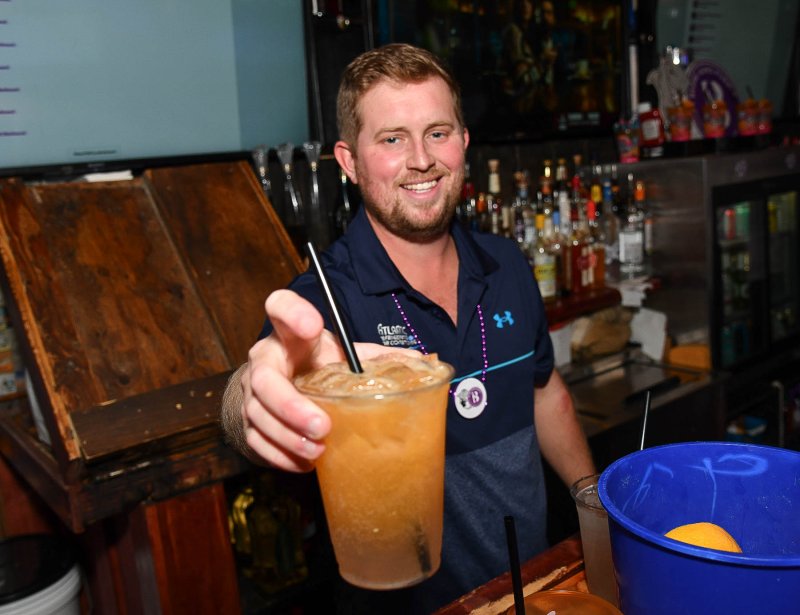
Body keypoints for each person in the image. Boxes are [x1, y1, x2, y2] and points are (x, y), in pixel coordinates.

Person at [221, 43, 595, 613]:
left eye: (437, 132)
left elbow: (544, 392)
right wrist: (250, 398)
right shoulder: (325, 300)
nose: (421, 158)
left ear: (464, 143)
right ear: (349, 162)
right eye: (392, 139)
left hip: (533, 588)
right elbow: (261, 377)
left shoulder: (508, 264)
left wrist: (590, 499)